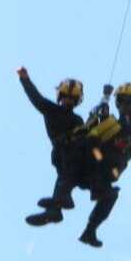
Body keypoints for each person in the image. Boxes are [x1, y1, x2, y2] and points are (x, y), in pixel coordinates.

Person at [78, 82, 131, 248]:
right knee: (93, 148)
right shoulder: (116, 121)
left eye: (128, 102)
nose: (124, 105)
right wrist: (100, 117)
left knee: (109, 192)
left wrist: (125, 140)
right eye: (122, 101)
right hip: (99, 160)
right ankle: (90, 228)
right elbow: (97, 132)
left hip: (112, 163)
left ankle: (91, 224)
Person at [17, 67, 85, 227]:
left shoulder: (78, 119)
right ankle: (54, 212)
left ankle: (59, 204)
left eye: (72, 98)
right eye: (66, 97)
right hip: (61, 153)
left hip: (76, 154)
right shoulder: (51, 110)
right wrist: (25, 79)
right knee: (62, 180)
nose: (68, 100)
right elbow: (36, 98)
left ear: (76, 101)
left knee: (64, 179)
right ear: (60, 97)